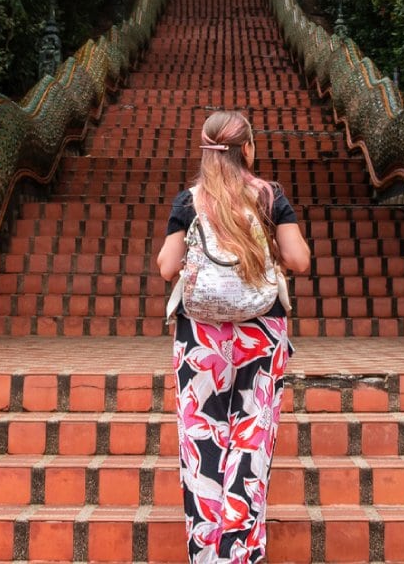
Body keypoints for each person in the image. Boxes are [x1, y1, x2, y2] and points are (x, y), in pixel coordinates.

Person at [156, 109, 311, 564]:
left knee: (201, 439)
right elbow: (299, 260)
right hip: (261, 332)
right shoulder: (269, 197)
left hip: (199, 337)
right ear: (248, 149)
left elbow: (166, 268)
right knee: (252, 437)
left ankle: (207, 556)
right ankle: (238, 554)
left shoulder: (188, 201)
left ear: (206, 151)